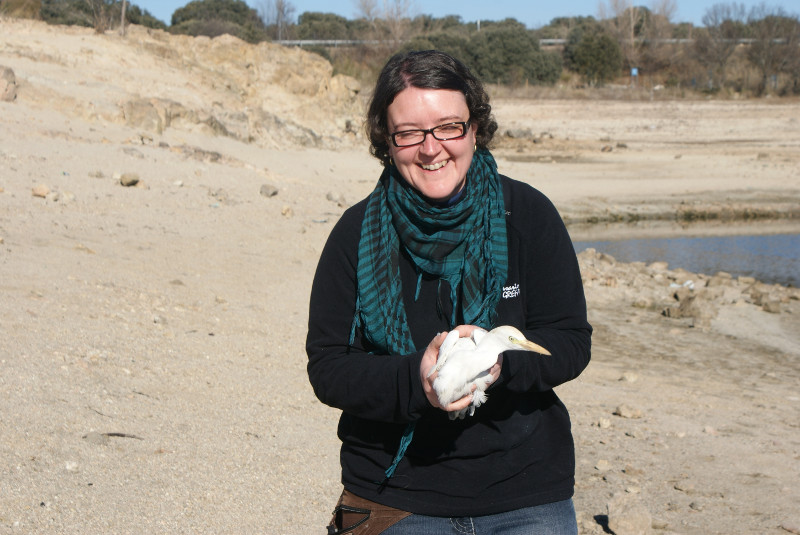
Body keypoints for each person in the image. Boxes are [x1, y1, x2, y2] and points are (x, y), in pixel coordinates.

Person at [306, 50, 592, 534]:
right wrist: (415, 380)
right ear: (387, 141)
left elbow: (570, 341)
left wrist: (498, 364)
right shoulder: (355, 233)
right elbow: (329, 368)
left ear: (475, 128)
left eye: (449, 127)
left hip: (524, 495)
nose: (431, 148)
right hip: (393, 494)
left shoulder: (527, 215)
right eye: (409, 133)